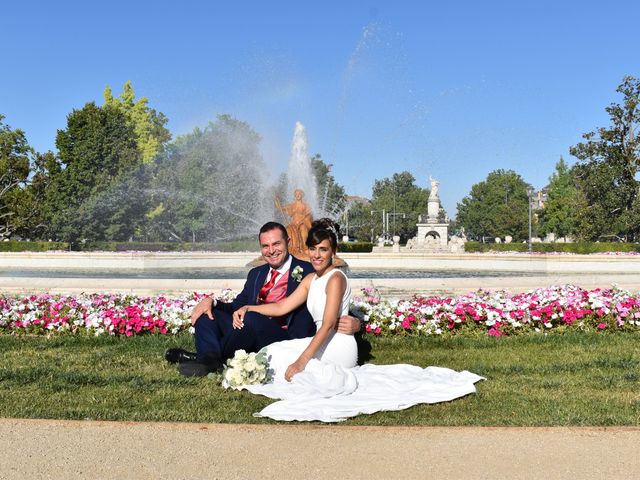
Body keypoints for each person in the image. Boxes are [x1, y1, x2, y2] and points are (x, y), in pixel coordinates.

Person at [164, 221, 360, 376]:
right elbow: (239, 305)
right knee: (209, 315)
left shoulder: (311, 269)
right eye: (265, 246)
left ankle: (206, 358)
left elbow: (333, 306)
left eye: (276, 244)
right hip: (249, 327)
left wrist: (356, 322)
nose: (271, 250)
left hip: (284, 336)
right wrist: (212, 302)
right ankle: (210, 359)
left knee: (251, 318)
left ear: (288, 243)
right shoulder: (256, 274)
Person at [233, 218, 356, 382]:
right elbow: (281, 307)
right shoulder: (311, 278)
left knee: (289, 364)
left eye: (323, 249)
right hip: (318, 341)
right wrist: (248, 308)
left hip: (337, 346)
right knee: (273, 350)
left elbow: (327, 325)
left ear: (333, 252)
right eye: (312, 249)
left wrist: (301, 361)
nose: (316, 255)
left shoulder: (335, 279)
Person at [275, 189, 313, 260]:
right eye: (296, 194)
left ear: (302, 195)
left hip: (303, 223)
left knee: (303, 229)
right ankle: (291, 248)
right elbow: (280, 208)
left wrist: (303, 221)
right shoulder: (291, 205)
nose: (298, 195)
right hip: (293, 225)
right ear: (295, 196)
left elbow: (309, 216)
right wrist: (276, 200)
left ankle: (305, 248)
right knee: (288, 230)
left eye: (299, 194)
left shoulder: (306, 205)